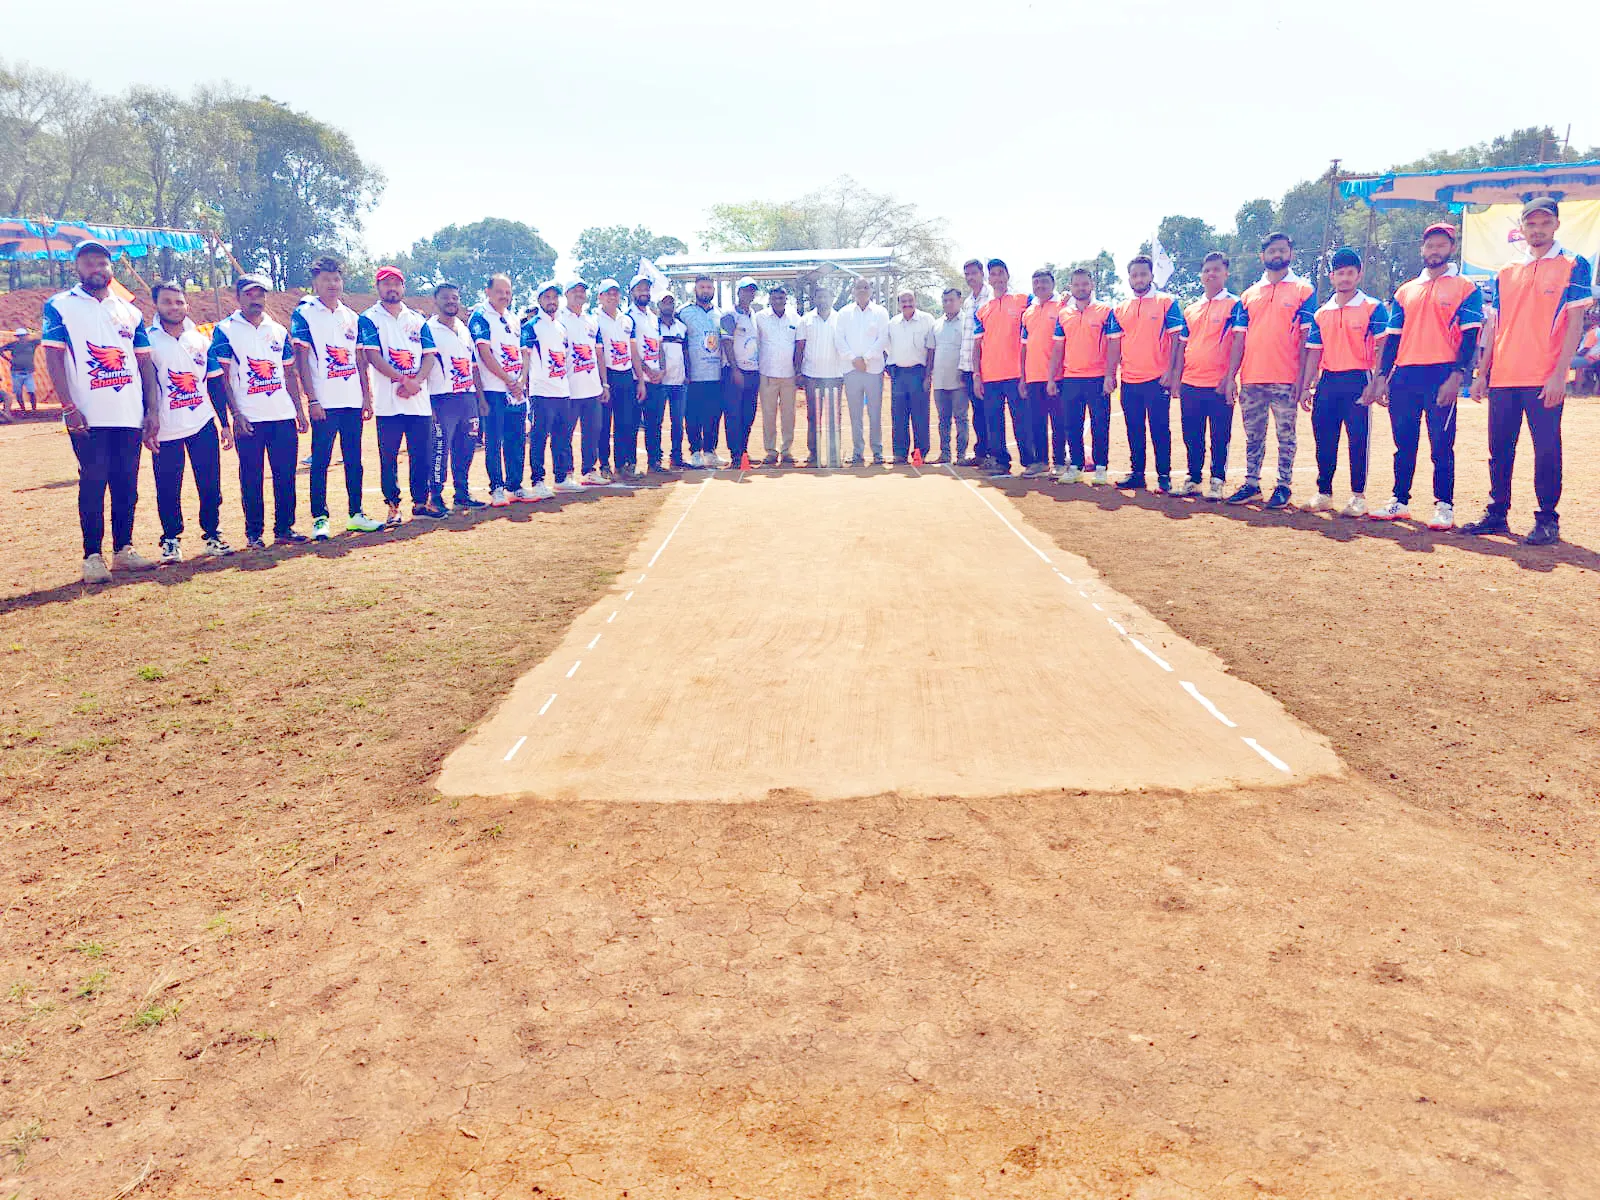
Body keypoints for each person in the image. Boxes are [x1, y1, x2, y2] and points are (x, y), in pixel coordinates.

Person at [1464, 196, 1594, 546]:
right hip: (1504, 377)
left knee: (1547, 449)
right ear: (1521, 227)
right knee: (1499, 449)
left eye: (1545, 223)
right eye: (1531, 223)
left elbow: (1575, 324)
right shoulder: (1506, 271)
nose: (1537, 229)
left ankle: (1547, 519)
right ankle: (1497, 512)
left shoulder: (1573, 264)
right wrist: (1482, 373)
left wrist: (1559, 374)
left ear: (1556, 225)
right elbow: (1495, 326)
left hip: (1543, 377)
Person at [40, 239, 161, 581]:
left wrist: (151, 409)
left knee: (127, 484)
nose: (97, 268)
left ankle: (124, 550)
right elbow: (53, 356)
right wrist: (68, 406)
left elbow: (144, 363)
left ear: (111, 267)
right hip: (87, 414)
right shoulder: (60, 305)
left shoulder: (130, 311)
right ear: (77, 267)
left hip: (128, 414)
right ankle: (92, 556)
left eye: (102, 262)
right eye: (89, 262)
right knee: (93, 482)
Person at [1368, 226, 1480, 529]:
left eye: (1441, 245)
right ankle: (1399, 500)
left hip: (1442, 373)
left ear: (1451, 248)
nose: (1435, 250)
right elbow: (1393, 338)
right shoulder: (1406, 291)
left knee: (1441, 444)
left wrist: (1457, 375)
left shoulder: (1465, 287)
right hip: (1405, 375)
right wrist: (1382, 376)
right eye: (1430, 245)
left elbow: (1470, 337)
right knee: (1403, 443)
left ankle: (1444, 505)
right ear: (1422, 249)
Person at [208, 272, 309, 550]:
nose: (256, 299)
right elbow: (222, 377)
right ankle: (254, 532)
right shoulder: (225, 330)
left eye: (260, 294)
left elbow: (289, 374)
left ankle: (284, 528)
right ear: (237, 297)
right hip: (249, 418)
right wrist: (235, 414)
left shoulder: (278, 330)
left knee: (285, 475)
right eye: (249, 294)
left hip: (282, 415)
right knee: (251, 477)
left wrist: (299, 411)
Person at [291, 255, 382, 538]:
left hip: (352, 401)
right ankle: (320, 518)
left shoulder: (352, 317)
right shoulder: (304, 314)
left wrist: (366, 397)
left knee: (354, 459)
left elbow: (359, 360)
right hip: (325, 403)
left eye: (336, 279)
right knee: (321, 460)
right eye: (326, 279)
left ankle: (356, 514)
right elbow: (301, 360)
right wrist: (312, 399)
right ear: (315, 283)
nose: (332, 284)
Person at [1225, 231, 1316, 509]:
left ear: (1291, 254)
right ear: (1262, 256)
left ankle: (1283, 485)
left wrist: (1303, 380)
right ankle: (1252, 484)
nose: (1277, 255)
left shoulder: (1303, 290)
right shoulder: (1248, 295)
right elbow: (1239, 339)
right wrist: (1231, 376)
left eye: (1282, 250)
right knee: (1253, 436)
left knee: (1286, 435)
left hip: (1286, 378)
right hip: (1252, 378)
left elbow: (1307, 338)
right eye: (1272, 251)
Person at [1298, 247, 1389, 518]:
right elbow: (1314, 351)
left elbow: (1383, 346)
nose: (1345, 278)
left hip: (1358, 379)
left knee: (1358, 439)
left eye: (1350, 273)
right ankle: (1324, 493)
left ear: (1359, 275)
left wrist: (1377, 381)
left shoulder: (1372, 307)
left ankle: (1358, 496)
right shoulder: (1321, 313)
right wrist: (1306, 386)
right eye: (1340, 273)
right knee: (1324, 438)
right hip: (1328, 382)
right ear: (1332, 277)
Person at [147, 281, 231, 562]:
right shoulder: (147, 340)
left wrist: (224, 423)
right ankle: (171, 539)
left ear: (186, 304)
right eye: (167, 302)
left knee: (210, 484)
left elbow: (215, 383)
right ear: (156, 305)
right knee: (168, 486)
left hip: (202, 422)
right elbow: (144, 385)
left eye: (179, 302)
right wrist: (147, 423)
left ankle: (213, 534)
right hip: (165, 427)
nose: (174, 307)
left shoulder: (200, 340)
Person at [359, 265, 440, 525]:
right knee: (389, 457)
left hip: (418, 401)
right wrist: (404, 380)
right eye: (386, 283)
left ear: (403, 287)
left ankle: (421, 502)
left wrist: (416, 382)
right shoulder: (369, 318)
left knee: (421, 454)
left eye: (396, 283)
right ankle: (393, 506)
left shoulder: (417, 319)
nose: (391, 288)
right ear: (378, 287)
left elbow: (429, 356)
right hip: (388, 402)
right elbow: (373, 356)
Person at [1112, 254, 1186, 491]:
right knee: (1134, 429)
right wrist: (1112, 374)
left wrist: (1171, 372)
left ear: (1152, 276)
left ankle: (1164, 476)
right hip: (1129, 380)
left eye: (1143, 274)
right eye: (1134, 275)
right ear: (1129, 279)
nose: (1139, 278)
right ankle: (1137, 474)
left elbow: (1177, 339)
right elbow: (1115, 343)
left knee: (1160, 429)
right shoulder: (1120, 308)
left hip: (1157, 379)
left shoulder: (1166, 302)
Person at [1046, 266, 1121, 485]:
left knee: (1100, 424)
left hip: (1097, 378)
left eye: (1085, 284)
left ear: (1092, 285)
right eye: (1077, 284)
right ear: (1071, 287)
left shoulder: (1105, 311)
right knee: (1072, 425)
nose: (1081, 288)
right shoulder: (1063, 314)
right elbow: (1058, 348)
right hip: (1071, 379)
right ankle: (1076, 467)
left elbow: (1114, 344)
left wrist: (1110, 375)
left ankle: (1100, 468)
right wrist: (1052, 378)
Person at [1176, 252, 1241, 499]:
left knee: (1220, 435)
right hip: (1190, 383)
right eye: (1206, 270)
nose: (1211, 274)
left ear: (1226, 273)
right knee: (1191, 434)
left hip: (1218, 384)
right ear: (1201, 275)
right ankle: (1193, 478)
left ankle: (1217, 480)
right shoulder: (1191, 309)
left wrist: (1230, 377)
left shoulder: (1235, 305)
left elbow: (1239, 342)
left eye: (1216, 269)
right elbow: (1183, 344)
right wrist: (1177, 377)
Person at [425, 282, 487, 511]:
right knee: (440, 449)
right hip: (442, 399)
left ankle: (462, 493)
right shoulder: (428, 329)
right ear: (435, 301)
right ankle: (435, 496)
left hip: (467, 398)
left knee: (466, 448)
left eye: (455, 298)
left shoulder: (463, 328)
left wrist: (480, 399)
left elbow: (473, 366)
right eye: (446, 297)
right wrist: (428, 404)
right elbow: (423, 365)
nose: (451, 301)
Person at [469, 273, 525, 507]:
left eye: (508, 292)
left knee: (517, 439)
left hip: (516, 391)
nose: (504, 296)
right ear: (488, 292)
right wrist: (508, 380)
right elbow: (485, 354)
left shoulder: (513, 318)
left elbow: (520, 354)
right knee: (494, 441)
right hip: (494, 390)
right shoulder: (480, 317)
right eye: (499, 292)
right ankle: (497, 488)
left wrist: (520, 381)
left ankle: (515, 485)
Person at [523, 280, 581, 495]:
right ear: (539, 300)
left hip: (562, 391)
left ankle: (561, 477)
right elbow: (525, 358)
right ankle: (538, 481)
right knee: (539, 438)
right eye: (547, 297)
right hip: (541, 392)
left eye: (554, 297)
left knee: (562, 437)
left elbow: (565, 358)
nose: (551, 301)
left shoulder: (561, 327)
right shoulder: (531, 327)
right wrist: (525, 386)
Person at [973, 258, 1030, 478]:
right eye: (993, 274)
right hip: (990, 376)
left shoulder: (1023, 300)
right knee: (994, 422)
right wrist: (977, 375)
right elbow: (977, 345)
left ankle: (1030, 461)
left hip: (1016, 374)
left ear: (1007, 275)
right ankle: (1000, 461)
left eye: (1000, 273)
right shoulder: (982, 309)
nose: (997, 278)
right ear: (989, 279)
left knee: (1022, 420)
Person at [835, 277, 890, 466]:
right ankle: (857, 451)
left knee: (875, 413)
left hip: (873, 369)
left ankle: (877, 451)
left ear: (871, 290)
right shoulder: (844, 313)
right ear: (853, 290)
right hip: (851, 369)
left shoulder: (881, 312)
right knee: (855, 413)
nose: (862, 290)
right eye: (859, 287)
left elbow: (883, 338)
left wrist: (866, 359)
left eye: (866, 287)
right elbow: (839, 339)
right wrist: (853, 358)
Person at [558, 280, 608, 485]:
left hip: (592, 388)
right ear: (566, 294)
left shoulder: (591, 321)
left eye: (582, 291)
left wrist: (604, 383)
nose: (579, 294)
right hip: (568, 389)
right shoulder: (559, 319)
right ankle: (566, 474)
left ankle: (589, 470)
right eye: (575, 291)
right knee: (564, 434)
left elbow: (599, 354)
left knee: (592, 432)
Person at [594, 279, 640, 478]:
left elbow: (633, 351)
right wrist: (603, 382)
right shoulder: (594, 320)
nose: (612, 297)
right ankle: (604, 465)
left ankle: (622, 465)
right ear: (600, 297)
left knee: (625, 422)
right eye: (608, 293)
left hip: (626, 375)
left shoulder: (627, 320)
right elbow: (598, 353)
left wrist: (640, 380)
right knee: (603, 424)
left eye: (615, 293)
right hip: (606, 375)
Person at [680, 274, 726, 468]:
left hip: (715, 374)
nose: (705, 291)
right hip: (694, 375)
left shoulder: (721, 314)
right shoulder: (684, 313)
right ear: (695, 290)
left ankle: (710, 451)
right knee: (693, 415)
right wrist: (685, 370)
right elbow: (680, 343)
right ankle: (695, 452)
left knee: (713, 415)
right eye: (702, 287)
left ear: (713, 290)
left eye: (709, 287)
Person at [885, 288, 936, 465]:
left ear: (915, 301)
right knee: (898, 415)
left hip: (919, 373)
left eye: (910, 300)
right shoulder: (893, 323)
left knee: (920, 415)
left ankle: (920, 454)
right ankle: (900, 453)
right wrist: (889, 367)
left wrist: (928, 375)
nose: (907, 304)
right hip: (898, 374)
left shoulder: (927, 320)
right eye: (903, 301)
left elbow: (931, 349)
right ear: (899, 304)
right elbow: (886, 346)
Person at [797, 282, 845, 468]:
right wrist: (798, 372)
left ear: (832, 299)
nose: (823, 300)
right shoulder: (806, 320)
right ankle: (814, 453)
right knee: (813, 416)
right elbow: (800, 347)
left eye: (826, 296)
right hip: (812, 376)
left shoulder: (840, 319)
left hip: (835, 375)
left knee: (834, 417)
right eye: (819, 296)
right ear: (814, 299)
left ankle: (833, 454)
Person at [1019, 269, 1060, 477]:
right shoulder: (1028, 312)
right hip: (1033, 377)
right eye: (1036, 283)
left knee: (1059, 422)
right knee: (1037, 422)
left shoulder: (1063, 307)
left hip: (1057, 377)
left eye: (1044, 282)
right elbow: (1024, 346)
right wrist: (1023, 378)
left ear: (1053, 284)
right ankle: (1041, 462)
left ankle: (1060, 462)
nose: (1040, 286)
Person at [755, 283, 802, 465]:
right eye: (774, 298)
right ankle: (771, 451)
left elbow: (799, 346)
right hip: (767, 373)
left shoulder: (795, 318)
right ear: (769, 299)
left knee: (788, 414)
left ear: (786, 299)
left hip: (789, 375)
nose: (778, 301)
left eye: (781, 298)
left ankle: (786, 450)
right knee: (769, 414)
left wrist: (798, 371)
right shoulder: (760, 318)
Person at [628, 275, 668, 472]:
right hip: (637, 380)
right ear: (632, 292)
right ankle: (631, 464)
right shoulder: (628, 317)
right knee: (633, 424)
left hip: (655, 380)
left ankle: (654, 461)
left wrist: (661, 369)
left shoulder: (653, 317)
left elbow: (659, 347)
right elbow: (632, 350)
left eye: (646, 289)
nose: (644, 292)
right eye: (640, 289)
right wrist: (647, 371)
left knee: (655, 423)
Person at [721, 276, 761, 467]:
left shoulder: (754, 315)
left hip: (753, 372)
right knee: (733, 414)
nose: (749, 294)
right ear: (738, 292)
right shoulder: (729, 315)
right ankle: (735, 454)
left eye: (752, 290)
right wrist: (735, 369)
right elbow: (726, 342)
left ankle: (743, 451)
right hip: (734, 372)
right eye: (746, 290)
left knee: (748, 414)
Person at [958, 258, 993, 466]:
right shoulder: (969, 301)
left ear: (982, 273)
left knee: (990, 412)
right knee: (978, 413)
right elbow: (967, 337)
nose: (970, 277)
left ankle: (993, 455)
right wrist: (964, 367)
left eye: (974, 273)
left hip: (988, 367)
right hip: (969, 367)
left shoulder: (992, 297)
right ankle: (981, 453)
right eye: (967, 274)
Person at [930, 288, 969, 464]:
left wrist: (964, 373)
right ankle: (945, 454)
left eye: (951, 300)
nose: (948, 304)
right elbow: (931, 351)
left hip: (959, 380)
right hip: (940, 380)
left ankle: (961, 455)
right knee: (943, 420)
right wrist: (929, 375)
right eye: (945, 300)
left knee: (961, 418)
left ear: (960, 300)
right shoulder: (937, 324)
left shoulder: (966, 322)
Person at [656, 290, 689, 469]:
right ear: (659, 305)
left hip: (679, 382)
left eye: (671, 302)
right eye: (665, 302)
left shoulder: (681, 327)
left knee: (677, 422)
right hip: (660, 382)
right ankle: (656, 458)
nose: (668, 306)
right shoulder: (653, 326)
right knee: (657, 422)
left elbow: (685, 352)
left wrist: (687, 375)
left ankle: (677, 456)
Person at [2, 326, 41, 417]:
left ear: (27, 335)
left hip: (28, 372)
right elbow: (1, 350)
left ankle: (34, 410)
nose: (22, 337)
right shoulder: (13, 344)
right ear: (18, 337)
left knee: (31, 391)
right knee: (18, 393)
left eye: (24, 335)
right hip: (16, 372)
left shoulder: (32, 343)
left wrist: (34, 331)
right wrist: (8, 360)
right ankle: (23, 410)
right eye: (20, 336)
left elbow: (42, 338)